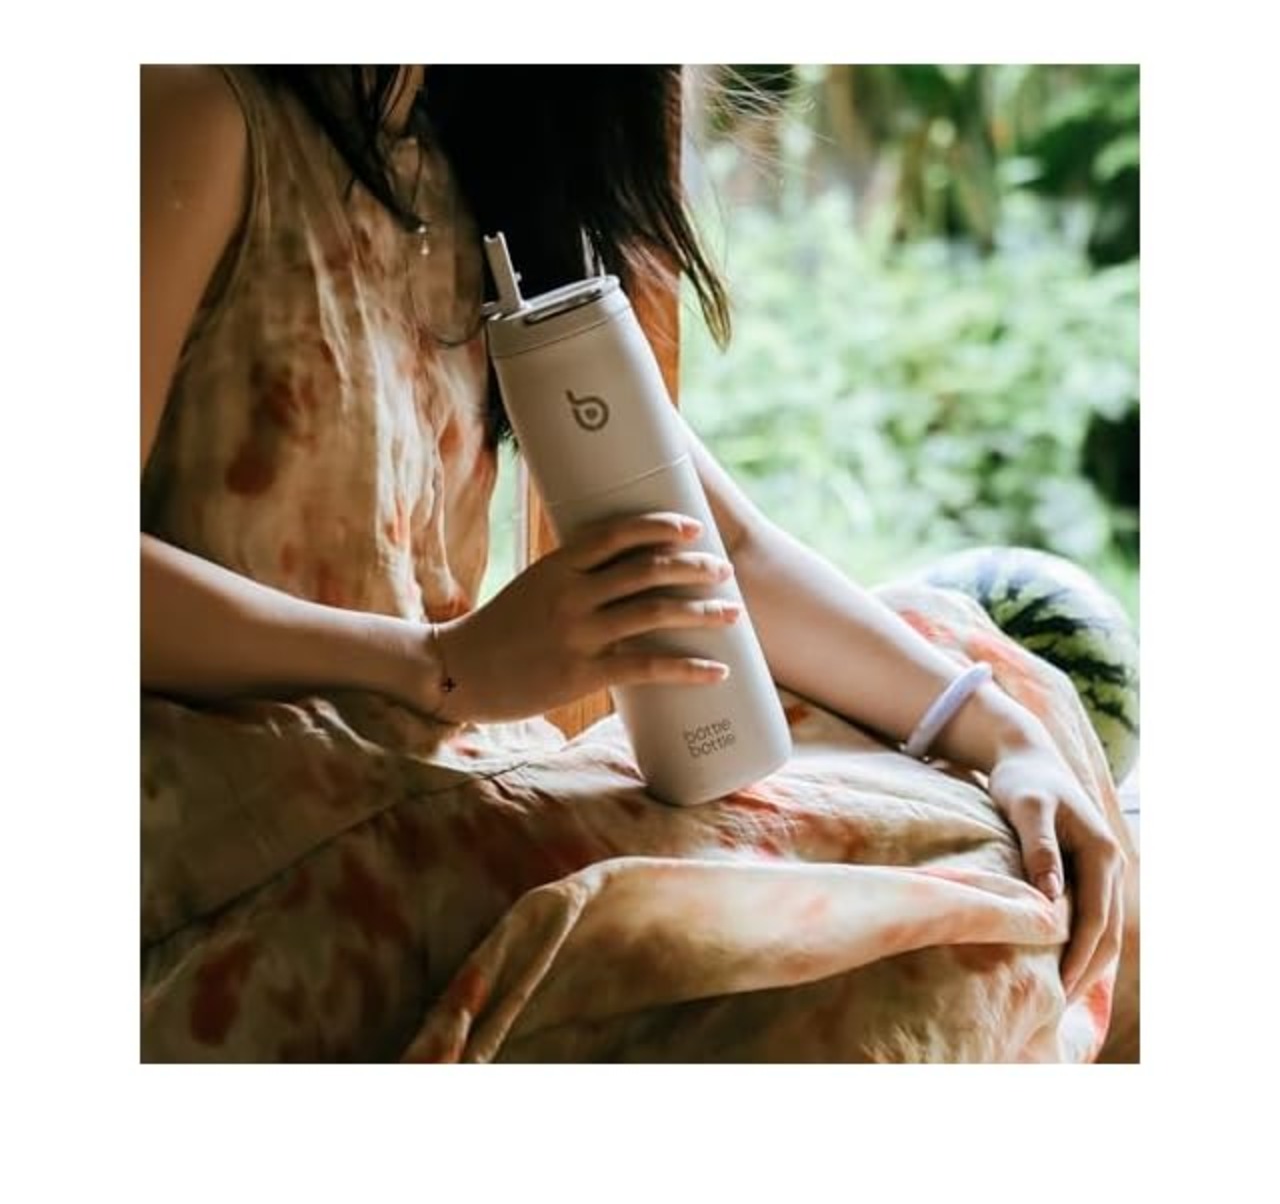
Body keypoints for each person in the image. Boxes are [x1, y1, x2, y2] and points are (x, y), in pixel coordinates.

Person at [141, 64, 1131, 1062]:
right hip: (234, 855)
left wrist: (1001, 733)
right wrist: (437, 663)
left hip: (435, 805)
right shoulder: (198, 113)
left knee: (991, 753)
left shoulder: (464, 170)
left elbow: (721, 549)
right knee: (940, 929)